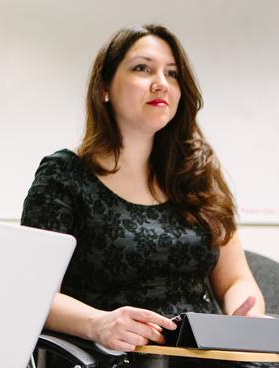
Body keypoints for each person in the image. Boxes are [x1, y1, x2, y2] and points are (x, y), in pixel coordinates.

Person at [21, 24, 271, 367]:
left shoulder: (197, 173)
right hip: (115, 355)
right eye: (142, 68)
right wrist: (99, 323)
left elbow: (236, 279)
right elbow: (34, 293)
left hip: (206, 357)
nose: (161, 83)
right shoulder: (63, 175)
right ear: (104, 87)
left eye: (172, 73)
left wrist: (246, 313)